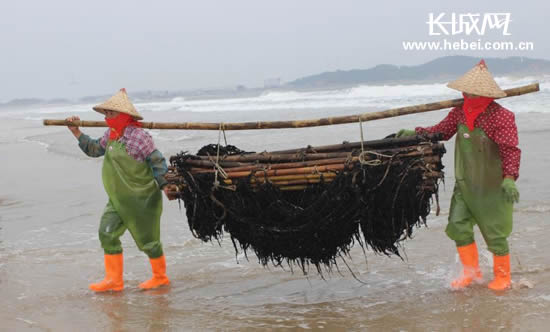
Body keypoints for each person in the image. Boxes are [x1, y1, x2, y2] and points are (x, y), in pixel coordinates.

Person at [397, 60, 520, 291]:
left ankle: (503, 277)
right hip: (465, 184)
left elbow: (510, 149)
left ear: (484, 93)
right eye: (464, 91)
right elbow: (440, 131)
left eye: (470, 92)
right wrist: (416, 133)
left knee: (495, 231)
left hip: (493, 186)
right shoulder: (459, 112)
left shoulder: (502, 117)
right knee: (457, 224)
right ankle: (471, 272)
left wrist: (509, 178)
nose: (466, 94)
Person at [67, 88, 174, 292]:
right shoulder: (112, 134)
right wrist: (76, 132)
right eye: (106, 113)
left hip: (141, 198)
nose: (107, 117)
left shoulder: (140, 137)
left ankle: (160, 277)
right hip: (118, 199)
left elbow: (157, 162)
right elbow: (95, 149)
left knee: (148, 240)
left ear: (125, 116)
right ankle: (114, 281)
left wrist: (166, 186)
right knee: (106, 232)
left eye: (111, 113)